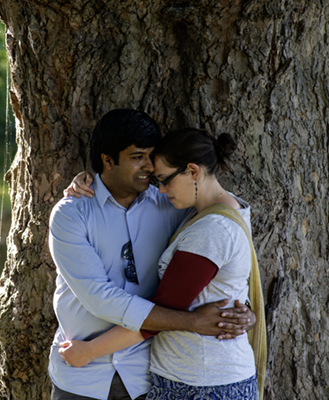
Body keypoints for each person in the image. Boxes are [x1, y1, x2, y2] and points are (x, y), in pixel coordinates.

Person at [49, 109, 255, 400]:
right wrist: (193, 322)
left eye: (151, 156)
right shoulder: (72, 214)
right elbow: (98, 297)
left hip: (147, 376)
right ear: (107, 160)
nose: (149, 166)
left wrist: (239, 307)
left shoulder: (170, 202)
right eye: (137, 157)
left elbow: (218, 239)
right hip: (82, 373)